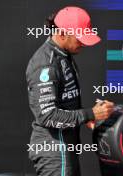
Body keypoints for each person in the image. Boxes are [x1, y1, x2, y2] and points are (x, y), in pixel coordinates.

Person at [26, 6, 114, 176]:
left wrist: (89, 118)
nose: (83, 43)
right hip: (54, 151)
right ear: (62, 33)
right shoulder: (46, 64)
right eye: (79, 37)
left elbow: (65, 103)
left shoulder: (63, 55)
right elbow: (47, 115)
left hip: (64, 148)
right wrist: (89, 114)